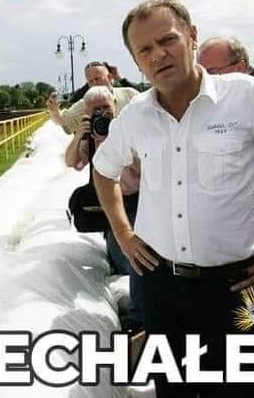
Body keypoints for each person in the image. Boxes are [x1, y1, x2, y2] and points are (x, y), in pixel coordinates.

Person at [92, 0, 254, 398]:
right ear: (135, 61)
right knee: (172, 390)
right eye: (144, 49)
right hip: (160, 288)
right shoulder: (136, 116)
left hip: (242, 288)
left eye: (168, 39)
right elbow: (103, 169)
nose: (158, 54)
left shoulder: (248, 99)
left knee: (242, 390)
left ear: (192, 36)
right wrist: (124, 234)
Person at [64, 85, 144, 334]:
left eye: (105, 109)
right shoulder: (89, 137)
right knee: (123, 261)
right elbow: (71, 162)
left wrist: (117, 143)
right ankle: (134, 312)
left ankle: (139, 315)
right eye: (95, 111)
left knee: (141, 259)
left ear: (115, 107)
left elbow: (146, 169)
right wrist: (80, 135)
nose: (101, 114)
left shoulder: (129, 130)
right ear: (87, 113)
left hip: (138, 202)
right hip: (109, 207)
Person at [47, 61, 138, 134]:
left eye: (97, 79)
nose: (94, 83)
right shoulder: (85, 103)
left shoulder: (129, 94)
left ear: (109, 77)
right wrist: (53, 110)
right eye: (90, 81)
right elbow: (63, 120)